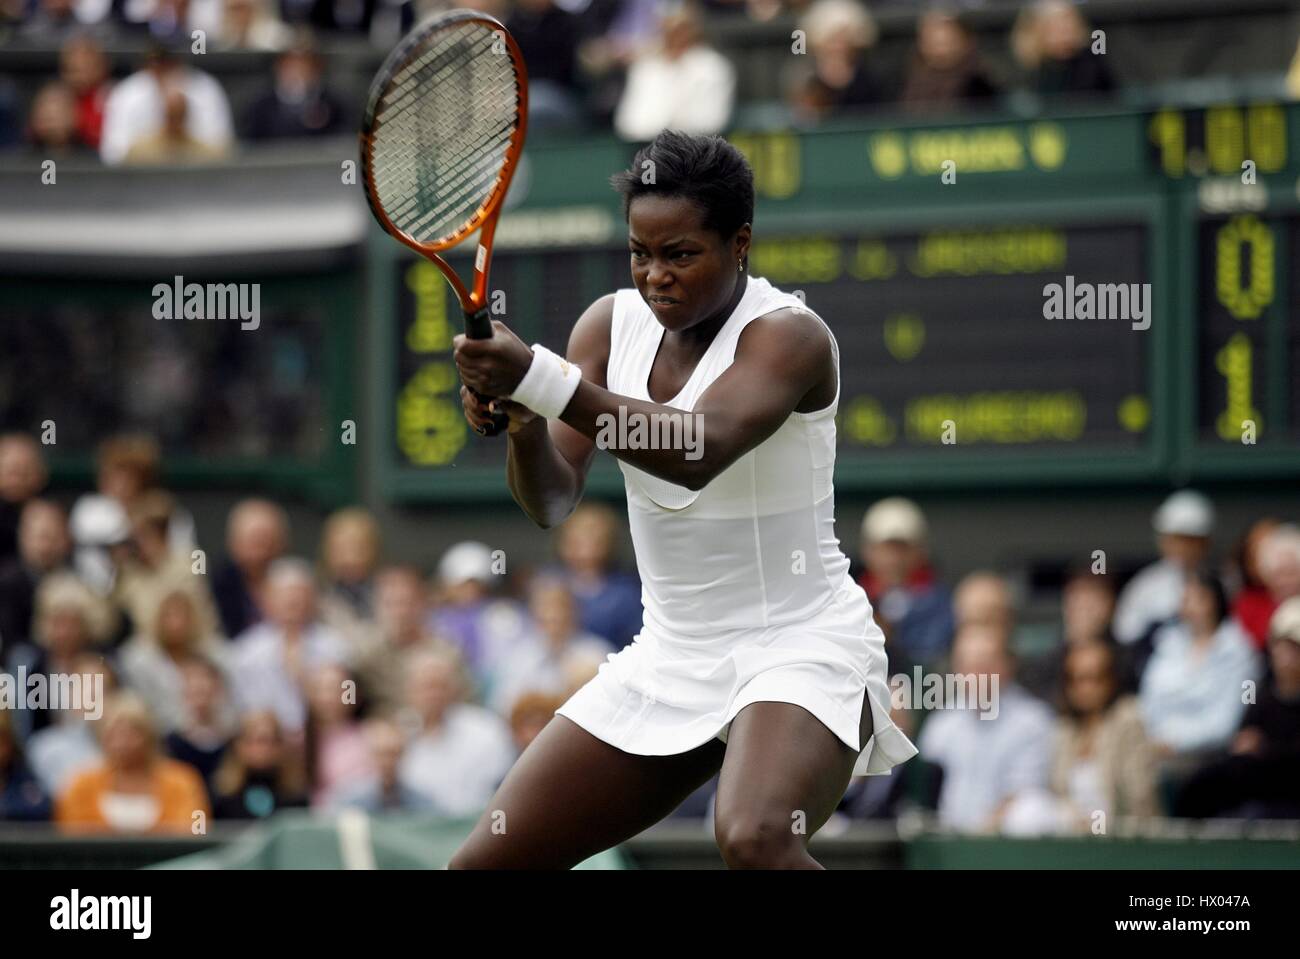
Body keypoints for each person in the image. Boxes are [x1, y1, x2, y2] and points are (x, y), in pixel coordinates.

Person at [449, 130, 917, 868]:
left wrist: (539, 380)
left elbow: (697, 450)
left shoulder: (791, 337)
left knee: (756, 835)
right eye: (640, 252)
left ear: (740, 243)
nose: (654, 275)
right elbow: (552, 501)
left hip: (801, 645)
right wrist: (524, 426)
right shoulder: (606, 325)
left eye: (680, 254)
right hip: (669, 656)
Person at [917, 625, 1055, 834]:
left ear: (1008, 666)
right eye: (966, 666)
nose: (974, 676)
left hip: (1004, 846)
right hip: (946, 845)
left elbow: (1023, 796)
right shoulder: (942, 723)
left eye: (984, 666)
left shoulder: (1034, 722)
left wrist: (978, 836)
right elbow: (925, 795)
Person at [1176, 598, 1300, 819]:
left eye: (1294, 650)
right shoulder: (1261, 693)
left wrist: (1265, 749)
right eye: (1282, 648)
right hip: (1256, 787)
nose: (1286, 659)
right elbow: (1243, 741)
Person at [1138, 571, 1261, 760]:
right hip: (1157, 747)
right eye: (1184, 599)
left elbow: (1230, 717)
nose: (1187, 607)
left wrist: (1177, 743)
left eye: (1196, 598)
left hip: (1213, 754)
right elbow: (1149, 700)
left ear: (1215, 601)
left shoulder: (1241, 652)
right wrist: (1154, 739)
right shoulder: (1167, 642)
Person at [55, 693, 210, 834]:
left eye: (131, 734)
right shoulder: (81, 782)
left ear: (148, 736)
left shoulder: (182, 781)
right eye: (113, 734)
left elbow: (194, 829)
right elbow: (71, 831)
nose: (122, 743)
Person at [229, 558, 351, 736]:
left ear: (313, 599)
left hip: (326, 739)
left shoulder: (337, 648)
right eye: (285, 595)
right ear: (267, 599)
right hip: (268, 742)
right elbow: (242, 706)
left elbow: (350, 699)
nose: (293, 601)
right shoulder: (246, 651)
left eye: (300, 594)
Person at [1048, 641, 1159, 830]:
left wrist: (1098, 825)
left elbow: (1138, 797)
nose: (1085, 688)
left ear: (1110, 680)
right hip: (1072, 836)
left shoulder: (1128, 721)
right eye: (1076, 679)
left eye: (1094, 678)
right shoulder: (1064, 730)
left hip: (1121, 834)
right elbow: (1057, 793)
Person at [398, 650, 516, 818]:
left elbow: (503, 789)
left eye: (441, 686)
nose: (434, 695)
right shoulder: (397, 739)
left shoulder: (487, 730)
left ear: (454, 689)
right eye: (427, 687)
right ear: (409, 691)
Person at [613, 3, 735, 142]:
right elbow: (629, 124)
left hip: (696, 153)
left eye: (681, 27)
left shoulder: (714, 67)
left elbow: (712, 121)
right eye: (668, 27)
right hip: (645, 151)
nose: (675, 34)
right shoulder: (644, 68)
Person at [857, 496, 954, 667]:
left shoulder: (939, 604)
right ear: (868, 551)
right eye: (886, 549)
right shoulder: (849, 599)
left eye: (902, 549)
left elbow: (931, 657)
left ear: (921, 551)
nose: (894, 559)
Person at [99, 44, 233, 165]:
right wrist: (159, 142)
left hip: (199, 177)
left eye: (168, 62)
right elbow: (113, 154)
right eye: (156, 62)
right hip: (141, 179)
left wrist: (181, 137)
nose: (162, 68)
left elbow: (222, 150)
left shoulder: (205, 88)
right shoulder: (127, 93)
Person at [1113, 490, 1215, 646]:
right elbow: (1126, 635)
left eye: (1189, 540)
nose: (1182, 547)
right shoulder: (1145, 585)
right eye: (1176, 539)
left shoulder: (1222, 582)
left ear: (1204, 542)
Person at [549, 502, 643, 650]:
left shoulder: (625, 594)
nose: (585, 551)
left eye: (595, 541)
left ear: (609, 543)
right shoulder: (549, 583)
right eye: (577, 542)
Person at [787, 0, 882, 125]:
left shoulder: (869, 80)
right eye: (832, 38)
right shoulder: (804, 79)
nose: (839, 45)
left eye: (844, 37)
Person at [212, 498, 290, 640]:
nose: (262, 549)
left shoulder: (296, 581)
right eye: (254, 540)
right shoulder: (214, 585)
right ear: (234, 542)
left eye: (268, 539)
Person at [211, 710, 309, 819]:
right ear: (239, 745)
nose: (264, 749)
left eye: (271, 741)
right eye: (258, 741)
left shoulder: (294, 795)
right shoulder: (222, 795)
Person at [899, 8, 998, 114]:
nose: (941, 51)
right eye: (934, 43)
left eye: (948, 42)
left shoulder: (980, 79)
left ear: (966, 40)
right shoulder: (907, 75)